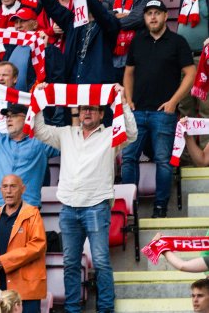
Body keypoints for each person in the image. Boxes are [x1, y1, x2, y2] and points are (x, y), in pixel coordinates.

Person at [32, 86, 138, 313]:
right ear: (78, 113)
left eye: (92, 109)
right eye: (83, 109)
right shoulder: (66, 133)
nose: (87, 113)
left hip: (97, 206)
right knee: (70, 263)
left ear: (101, 114)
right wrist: (39, 98)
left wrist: (121, 101)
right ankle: (72, 309)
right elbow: (38, 130)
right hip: (69, 207)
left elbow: (132, 134)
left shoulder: (112, 134)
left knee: (100, 262)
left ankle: (105, 309)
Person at [121, 0, 195, 217]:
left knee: (163, 160)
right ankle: (128, 209)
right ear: (144, 18)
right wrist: (129, 99)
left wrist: (173, 102)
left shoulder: (177, 41)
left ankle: (160, 207)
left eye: (157, 12)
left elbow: (190, 74)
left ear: (165, 16)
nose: (152, 17)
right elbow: (128, 72)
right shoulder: (137, 41)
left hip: (164, 113)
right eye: (149, 13)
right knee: (128, 158)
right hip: (137, 112)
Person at [0, 102, 58, 213]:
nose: (8, 119)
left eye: (13, 116)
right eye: (7, 116)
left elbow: (69, 140)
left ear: (26, 118)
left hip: (27, 208)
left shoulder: (41, 143)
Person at [0, 175, 47, 313]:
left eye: (13, 186)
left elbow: (38, 245)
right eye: (5, 187)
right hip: (0, 287)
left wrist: (4, 261)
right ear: (0, 190)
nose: (8, 191)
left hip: (27, 288)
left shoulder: (32, 214)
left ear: (23, 189)